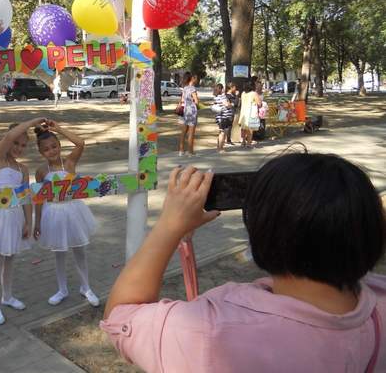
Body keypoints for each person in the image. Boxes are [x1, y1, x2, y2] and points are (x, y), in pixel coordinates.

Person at [101, 153, 386, 372]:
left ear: (263, 234)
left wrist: (169, 226)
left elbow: (121, 315)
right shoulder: (379, 304)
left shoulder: (213, 333)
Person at [0, 117, 46, 325]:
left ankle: (8, 296)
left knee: (11, 259)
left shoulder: (23, 170)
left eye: (23, 145)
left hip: (15, 217)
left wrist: (28, 221)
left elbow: (25, 197)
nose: (18, 147)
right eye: (16, 143)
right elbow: (10, 135)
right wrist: (33, 122)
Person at [33, 120, 99, 307]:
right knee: (59, 253)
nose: (51, 151)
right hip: (53, 213)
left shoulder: (69, 163)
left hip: (73, 210)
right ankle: (62, 289)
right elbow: (38, 198)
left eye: (54, 146)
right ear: (41, 153)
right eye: (46, 149)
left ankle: (86, 287)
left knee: (80, 251)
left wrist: (59, 129)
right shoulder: (40, 171)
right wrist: (37, 222)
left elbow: (80, 143)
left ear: (59, 145)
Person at [177, 72, 199, 157]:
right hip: (192, 111)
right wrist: (195, 103)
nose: (196, 80)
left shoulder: (185, 88)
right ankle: (190, 151)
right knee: (191, 132)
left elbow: (182, 100)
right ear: (192, 78)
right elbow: (196, 102)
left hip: (186, 111)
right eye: (196, 78)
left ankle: (181, 150)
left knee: (184, 131)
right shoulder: (192, 89)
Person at [238, 81, 262, 148]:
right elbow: (259, 104)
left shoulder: (243, 93)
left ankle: (243, 142)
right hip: (251, 112)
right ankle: (249, 143)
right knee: (250, 129)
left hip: (243, 112)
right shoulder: (254, 93)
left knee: (243, 128)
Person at [212, 84, 233, 153]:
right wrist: (231, 105)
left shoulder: (216, 97)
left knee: (221, 132)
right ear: (221, 89)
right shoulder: (223, 96)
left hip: (219, 117)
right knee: (223, 133)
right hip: (224, 117)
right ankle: (220, 148)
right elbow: (227, 105)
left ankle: (219, 147)